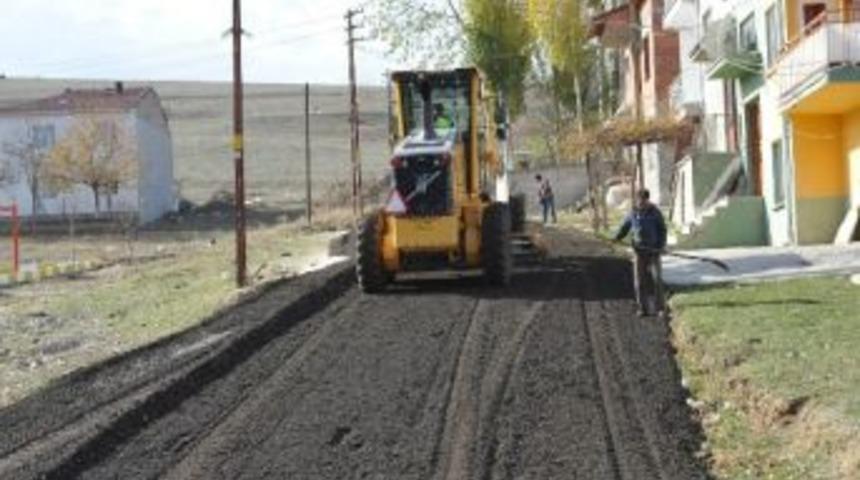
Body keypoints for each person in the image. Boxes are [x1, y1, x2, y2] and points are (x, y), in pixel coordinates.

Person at [614, 189, 668, 318]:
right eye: (639, 201)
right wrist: (616, 238)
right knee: (639, 281)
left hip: (653, 251)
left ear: (647, 200)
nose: (641, 203)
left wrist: (661, 246)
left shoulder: (655, 213)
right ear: (637, 200)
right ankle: (642, 309)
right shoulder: (633, 213)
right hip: (639, 252)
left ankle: (660, 308)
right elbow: (624, 227)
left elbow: (662, 230)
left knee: (657, 280)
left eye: (644, 201)